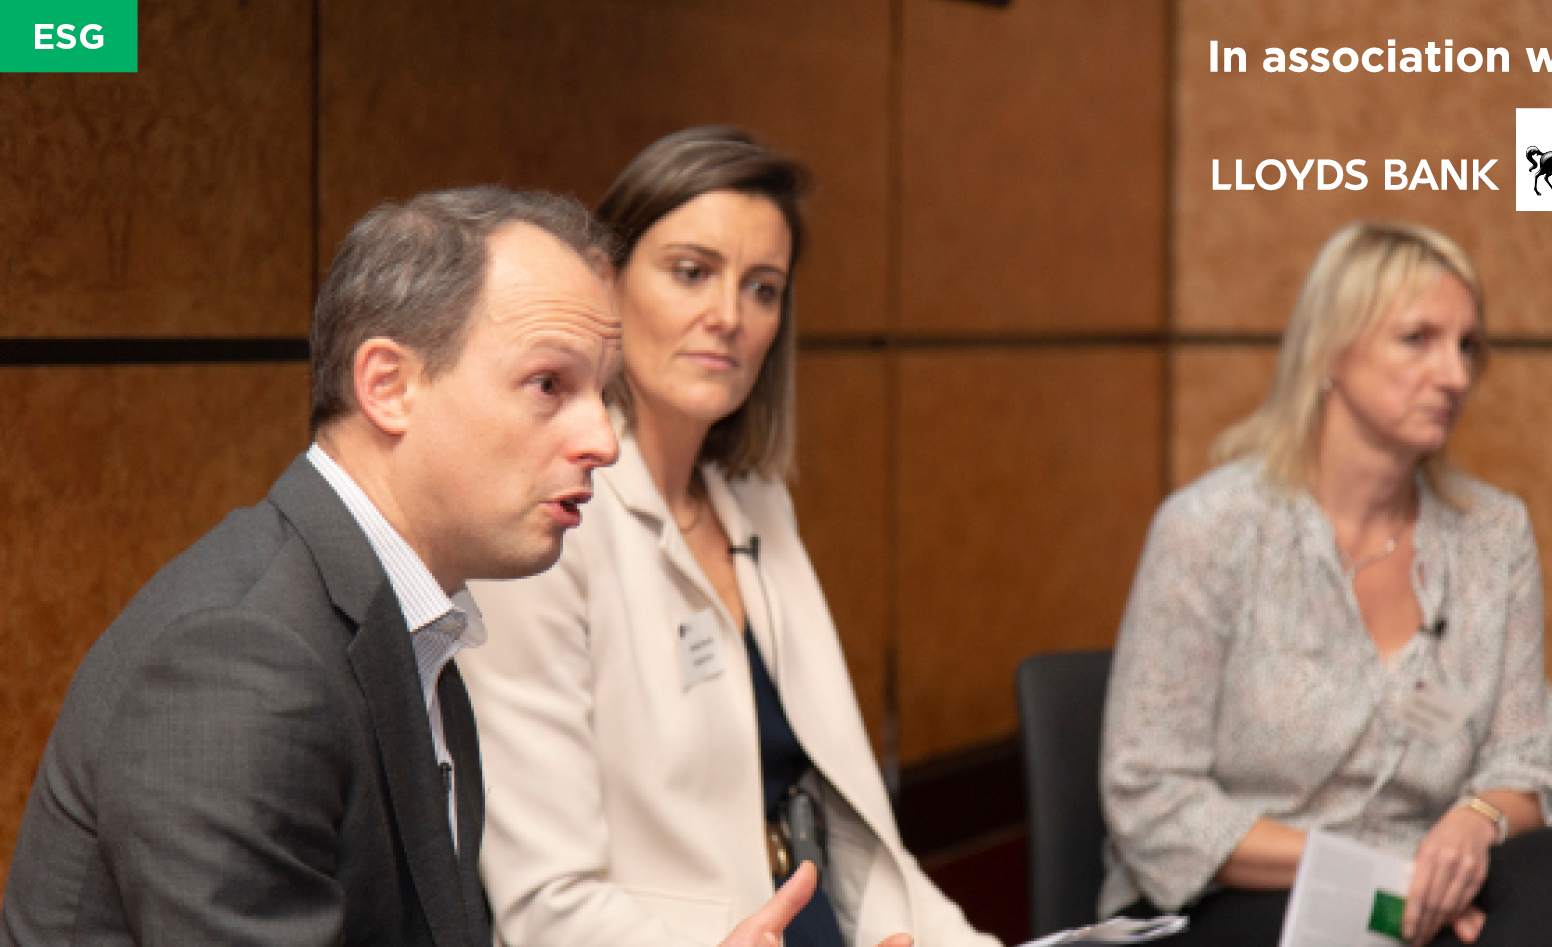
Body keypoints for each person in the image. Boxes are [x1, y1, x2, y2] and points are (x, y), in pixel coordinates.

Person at [1, 185, 893, 947]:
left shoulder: (415, 623)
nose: (601, 441)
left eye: (602, 394)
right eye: (550, 385)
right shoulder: (239, 662)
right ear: (387, 386)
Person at [460, 128, 999, 947]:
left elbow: (851, 829)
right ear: (604, 284)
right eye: (691, 272)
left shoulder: (756, 502)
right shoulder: (543, 529)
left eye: (762, 288)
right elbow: (547, 904)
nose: (728, 317)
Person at [1100, 221, 1552, 947]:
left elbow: (1525, 763)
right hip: (1235, 897)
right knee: (1384, 930)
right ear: (1330, 352)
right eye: (1418, 340)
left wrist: (1475, 824)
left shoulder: (1493, 536)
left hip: (1426, 885)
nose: (1454, 374)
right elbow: (1149, 800)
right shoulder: (1211, 530)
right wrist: (1379, 873)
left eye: (1466, 346)